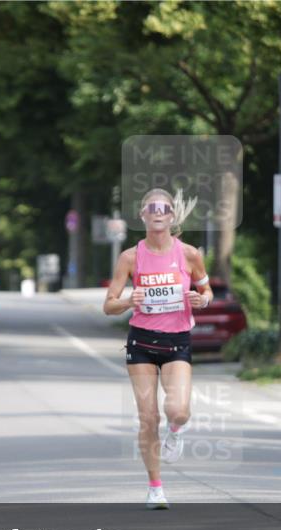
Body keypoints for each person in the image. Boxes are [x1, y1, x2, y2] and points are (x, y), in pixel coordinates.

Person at [102, 188, 212, 509]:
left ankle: (176, 431)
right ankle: (155, 487)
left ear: (172, 215)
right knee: (148, 418)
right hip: (141, 342)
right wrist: (126, 302)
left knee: (178, 410)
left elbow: (205, 290)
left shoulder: (189, 254)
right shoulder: (130, 257)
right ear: (143, 215)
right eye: (152, 207)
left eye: (165, 208)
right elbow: (108, 305)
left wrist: (201, 299)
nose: (158, 212)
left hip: (177, 341)